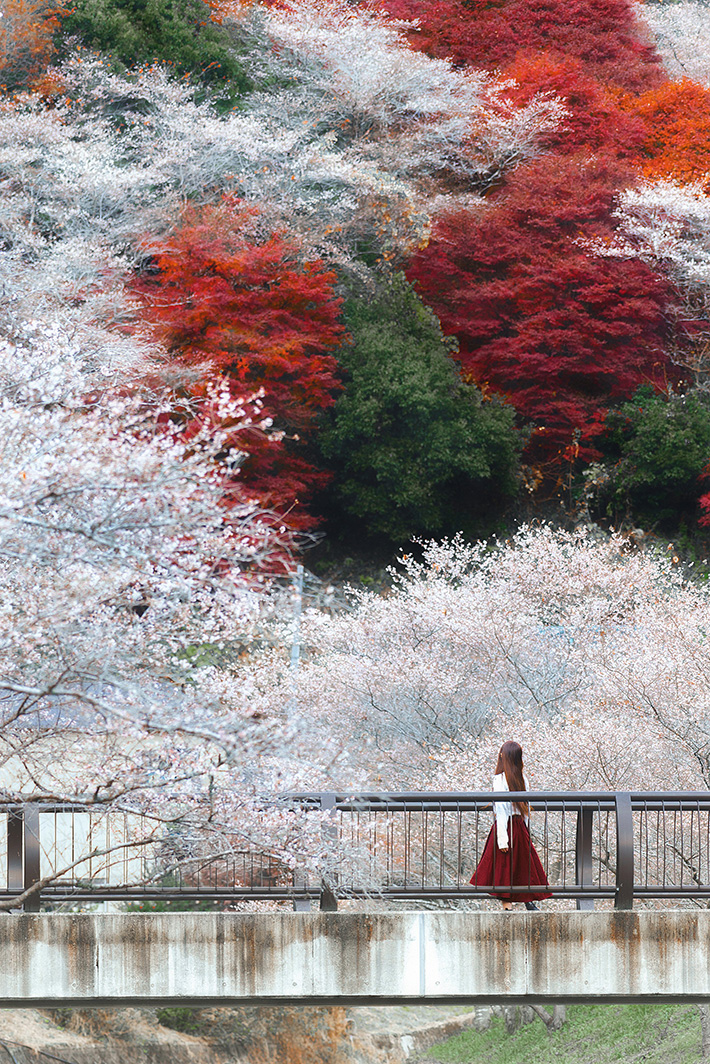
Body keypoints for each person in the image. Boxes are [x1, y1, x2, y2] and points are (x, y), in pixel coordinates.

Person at [471, 740, 552, 910]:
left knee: (504, 867)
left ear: (504, 756)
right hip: (519, 826)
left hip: (506, 826)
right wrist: (525, 830)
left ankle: (508, 907)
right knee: (522, 864)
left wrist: (502, 838)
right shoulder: (523, 779)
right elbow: (525, 808)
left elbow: (501, 809)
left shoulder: (500, 779)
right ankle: (526, 901)